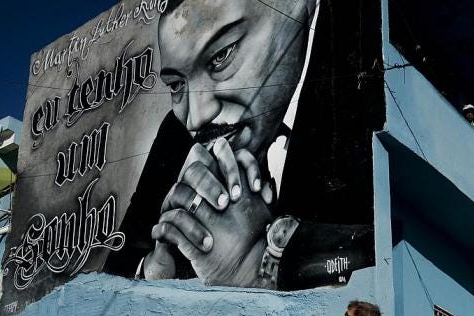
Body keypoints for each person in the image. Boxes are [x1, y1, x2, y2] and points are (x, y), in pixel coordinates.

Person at [104, 0, 376, 289]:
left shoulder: (373, 44)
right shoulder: (175, 135)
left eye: (221, 56)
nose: (196, 117)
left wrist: (262, 267)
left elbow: (394, 252)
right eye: (176, 85)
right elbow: (115, 277)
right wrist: (156, 273)